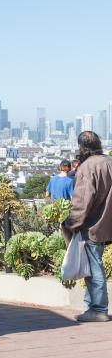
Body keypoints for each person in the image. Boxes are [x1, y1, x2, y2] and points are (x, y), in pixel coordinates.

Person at [63, 131, 112, 322]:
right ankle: (90, 306)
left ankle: (98, 309)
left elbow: (82, 200)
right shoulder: (108, 162)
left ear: (81, 146)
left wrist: (71, 222)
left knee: (94, 267)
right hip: (107, 222)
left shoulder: (87, 167)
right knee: (94, 264)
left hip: (92, 224)